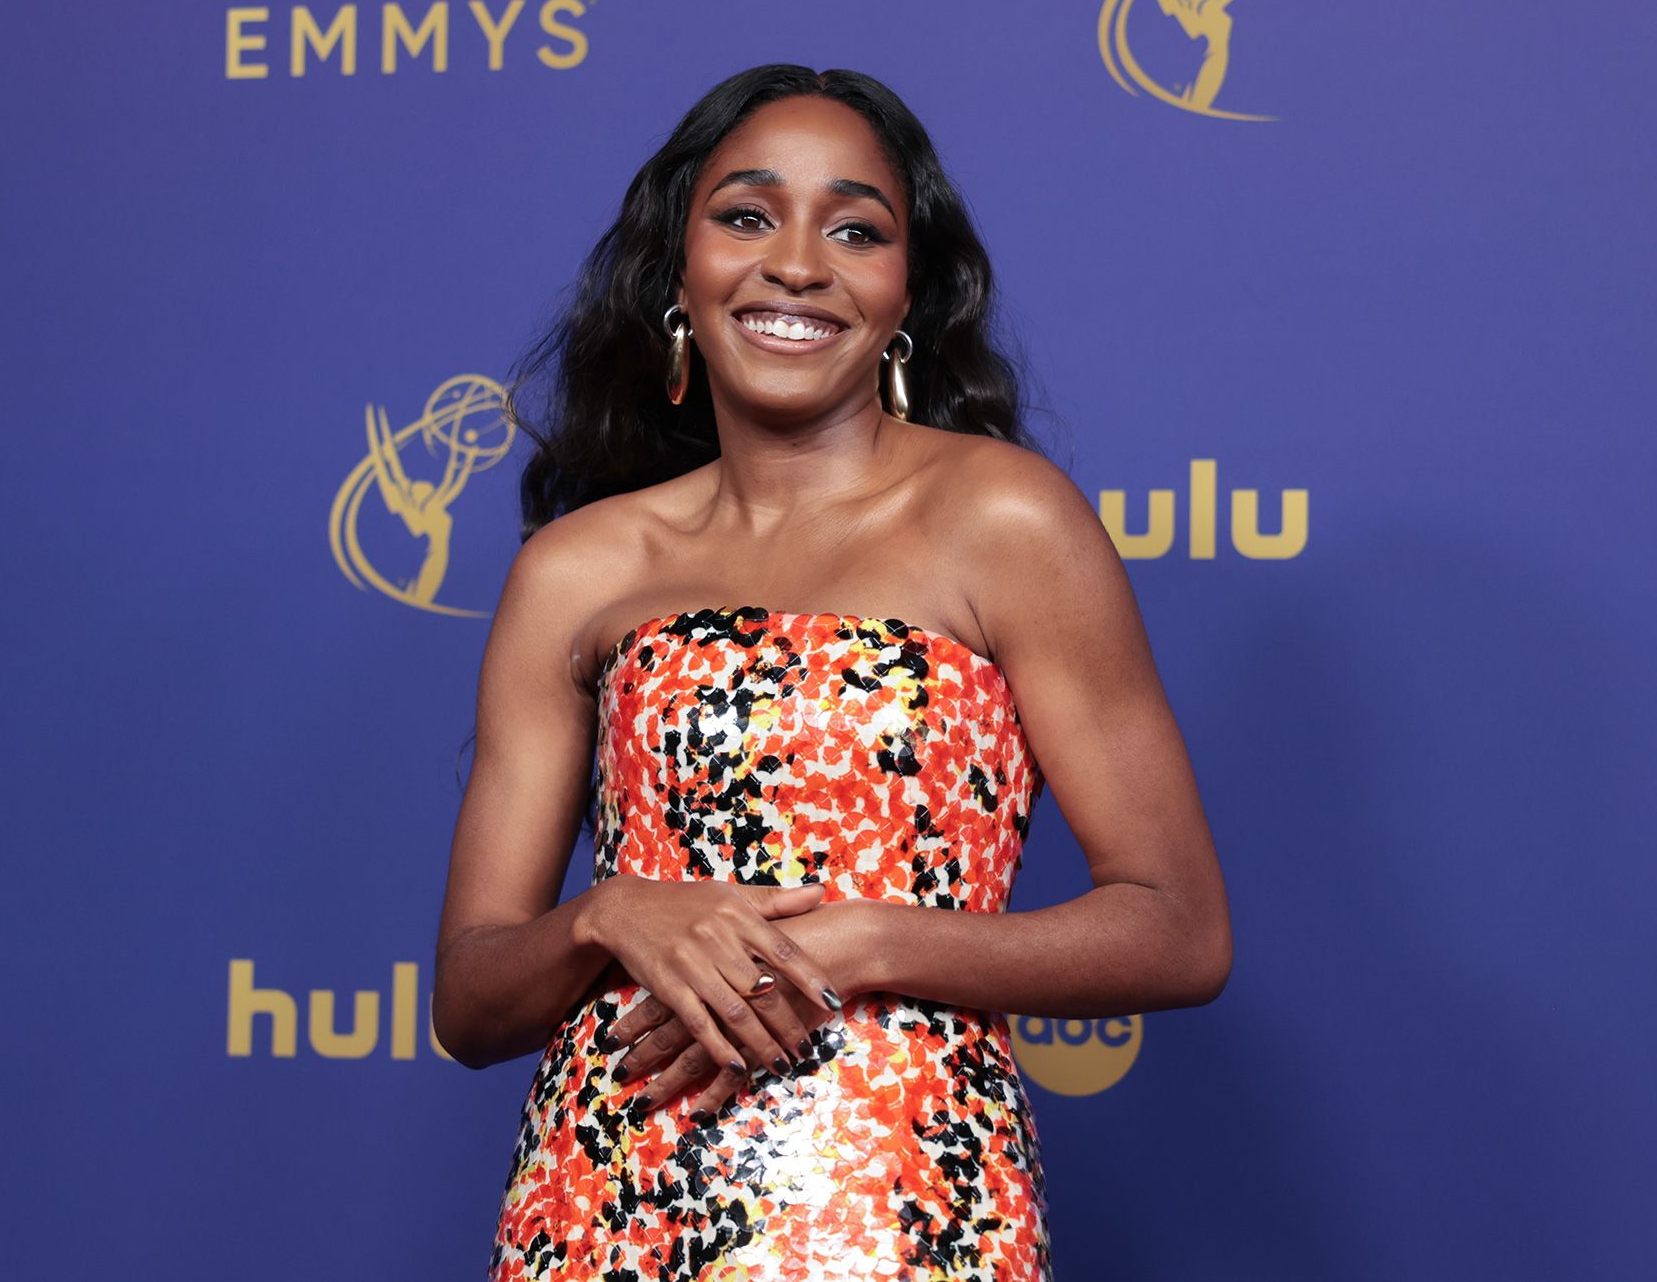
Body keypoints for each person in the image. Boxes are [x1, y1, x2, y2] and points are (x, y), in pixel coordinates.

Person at [433, 64, 1232, 1281]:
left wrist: (861, 940)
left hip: (906, 1192)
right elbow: (471, 999)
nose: (796, 263)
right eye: (746, 215)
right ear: (675, 269)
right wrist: (609, 913)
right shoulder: (577, 568)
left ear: (903, 290)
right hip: (608, 1195)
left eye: (854, 228)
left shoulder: (1003, 518)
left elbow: (1175, 931)